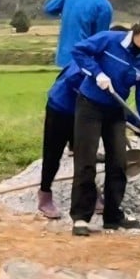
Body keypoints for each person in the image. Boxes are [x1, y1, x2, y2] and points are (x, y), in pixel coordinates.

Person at [68, 15, 140, 235]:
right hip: (90, 106)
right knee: (86, 162)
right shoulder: (110, 40)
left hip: (115, 111)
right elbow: (79, 51)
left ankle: (113, 216)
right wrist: (97, 73)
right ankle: (81, 218)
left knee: (118, 163)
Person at [44, 0, 127, 67]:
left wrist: (67, 12)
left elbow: (49, 8)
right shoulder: (104, 6)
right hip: (83, 61)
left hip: (63, 58)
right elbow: (100, 40)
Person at [37, 63, 87, 219]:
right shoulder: (86, 61)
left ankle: (89, 193)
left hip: (87, 112)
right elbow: (71, 79)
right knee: (53, 154)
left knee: (86, 152)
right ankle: (44, 193)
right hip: (61, 107)